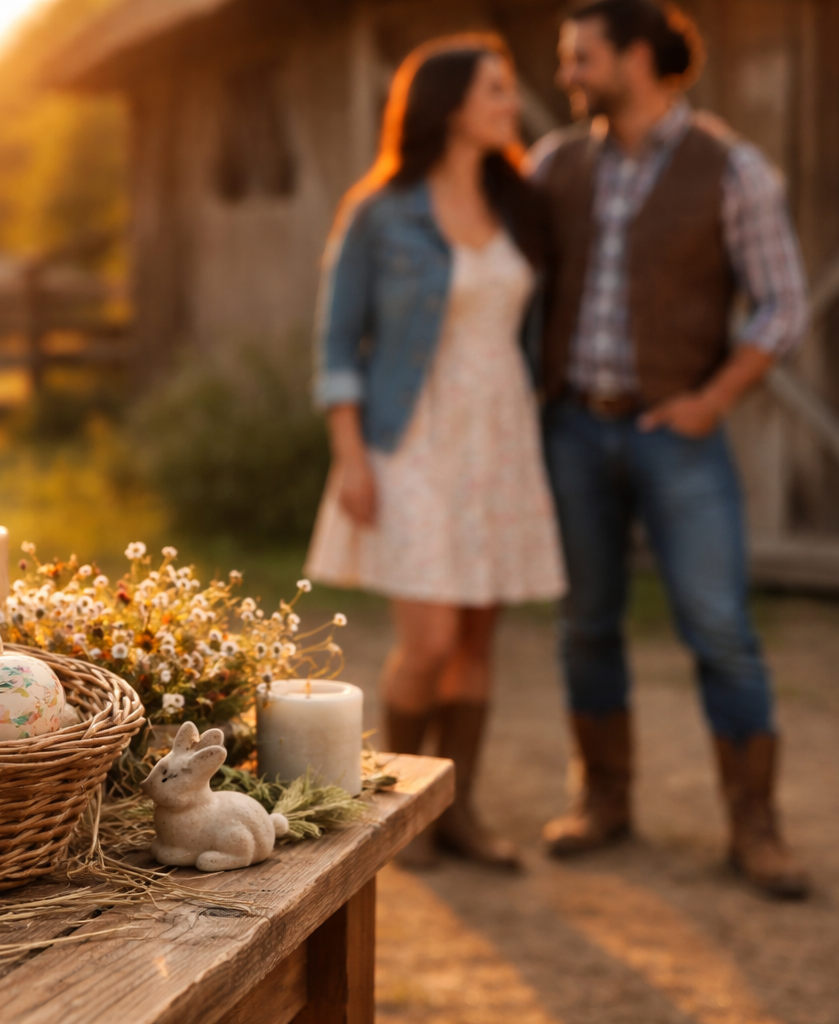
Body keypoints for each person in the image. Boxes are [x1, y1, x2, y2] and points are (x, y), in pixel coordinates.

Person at [528, 0, 811, 898]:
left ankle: (755, 826)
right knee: (586, 623)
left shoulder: (733, 169)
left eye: (582, 57)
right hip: (573, 426)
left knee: (721, 629)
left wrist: (712, 400)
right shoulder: (554, 163)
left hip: (676, 435)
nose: (567, 75)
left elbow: (783, 305)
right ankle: (603, 799)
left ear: (638, 59)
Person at [305, 35, 566, 870]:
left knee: (477, 642)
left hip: (502, 434)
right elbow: (337, 344)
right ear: (449, 106)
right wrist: (351, 456)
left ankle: (460, 811)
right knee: (429, 640)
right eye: (496, 89)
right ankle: (399, 808)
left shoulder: (520, 202)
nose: (510, 104)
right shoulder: (379, 211)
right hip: (410, 434)